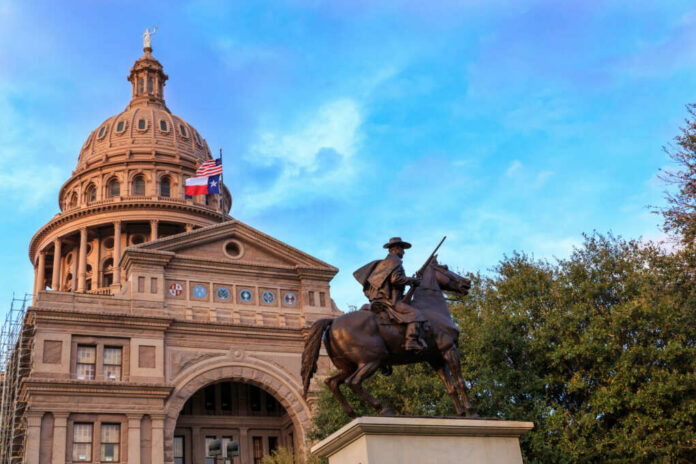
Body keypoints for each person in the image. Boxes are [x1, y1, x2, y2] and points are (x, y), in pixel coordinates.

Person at [353, 237, 427, 352]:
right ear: (396, 249)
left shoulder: (384, 263)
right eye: (402, 249)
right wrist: (413, 280)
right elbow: (395, 279)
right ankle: (411, 340)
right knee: (416, 314)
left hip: (382, 298)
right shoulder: (395, 261)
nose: (403, 252)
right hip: (392, 301)